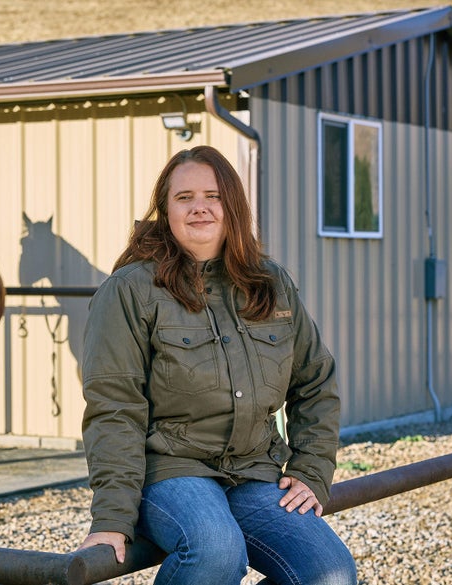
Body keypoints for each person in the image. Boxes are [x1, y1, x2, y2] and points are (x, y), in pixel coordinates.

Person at [77, 145, 357, 585]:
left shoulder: (270, 283)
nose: (199, 208)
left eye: (213, 195)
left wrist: (310, 470)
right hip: (170, 470)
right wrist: (112, 516)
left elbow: (315, 381)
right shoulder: (130, 290)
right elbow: (115, 407)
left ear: (233, 206)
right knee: (216, 551)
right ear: (165, 210)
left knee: (331, 572)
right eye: (183, 197)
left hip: (253, 470)